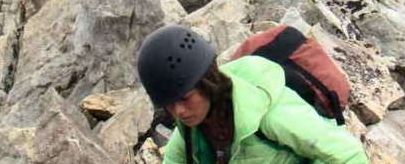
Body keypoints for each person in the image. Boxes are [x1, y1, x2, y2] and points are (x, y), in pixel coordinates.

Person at [137, 25, 369, 164]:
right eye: (169, 104)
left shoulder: (270, 114)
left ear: (207, 82)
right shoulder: (192, 129)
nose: (178, 111)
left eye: (185, 98)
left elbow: (348, 155)